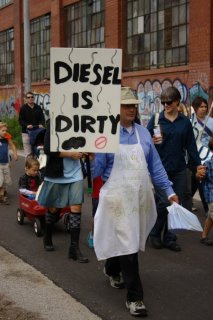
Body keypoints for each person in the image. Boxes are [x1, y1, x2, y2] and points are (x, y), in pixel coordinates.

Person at [91, 87, 178, 317]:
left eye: (134, 105)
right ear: (116, 108)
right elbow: (95, 172)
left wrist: (169, 191)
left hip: (138, 200)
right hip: (116, 200)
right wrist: (90, 156)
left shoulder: (143, 133)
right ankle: (135, 298)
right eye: (126, 105)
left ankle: (111, 269)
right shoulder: (105, 135)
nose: (132, 109)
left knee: (126, 241)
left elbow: (155, 167)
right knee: (129, 246)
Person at [147, 87, 203, 252]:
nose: (165, 105)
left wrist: (197, 166)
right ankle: (155, 233)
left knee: (176, 204)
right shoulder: (156, 119)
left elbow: (191, 147)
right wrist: (151, 139)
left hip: (179, 169)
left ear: (177, 101)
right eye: (163, 102)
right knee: (164, 202)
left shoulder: (184, 122)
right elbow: (144, 140)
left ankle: (170, 238)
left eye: (169, 102)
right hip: (160, 169)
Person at [37, 120, 89, 263]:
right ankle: (48, 235)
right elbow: (48, 149)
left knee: (76, 207)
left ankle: (74, 248)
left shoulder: (81, 120)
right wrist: (70, 154)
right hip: (56, 173)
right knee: (53, 209)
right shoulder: (53, 123)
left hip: (76, 173)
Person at [191, 96, 213, 214]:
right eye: (201, 106)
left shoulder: (211, 121)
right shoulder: (190, 122)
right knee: (194, 183)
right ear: (195, 108)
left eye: (205, 106)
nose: (203, 109)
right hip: (194, 157)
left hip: (208, 157)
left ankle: (208, 209)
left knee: (203, 181)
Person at [19, 92, 45, 157]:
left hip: (37, 133)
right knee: (28, 154)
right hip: (26, 133)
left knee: (37, 151)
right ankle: (28, 167)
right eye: (28, 97)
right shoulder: (23, 108)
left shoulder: (38, 107)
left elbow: (42, 118)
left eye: (32, 97)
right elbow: (20, 120)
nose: (30, 98)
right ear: (26, 99)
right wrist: (27, 125)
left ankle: (36, 166)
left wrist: (41, 124)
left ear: (34, 98)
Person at [0, 122, 18, 204]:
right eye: (3, 130)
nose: (5, 132)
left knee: (6, 180)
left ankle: (2, 192)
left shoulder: (7, 137)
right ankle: (2, 196)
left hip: (6, 162)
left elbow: (12, 145)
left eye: (5, 130)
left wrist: (15, 154)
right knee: (1, 179)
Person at [200, 137, 213, 245]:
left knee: (210, 216)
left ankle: (204, 236)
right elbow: (201, 179)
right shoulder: (208, 164)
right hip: (211, 194)